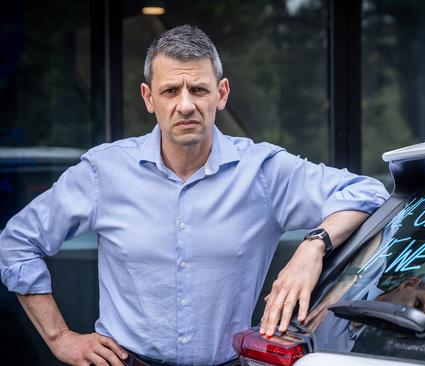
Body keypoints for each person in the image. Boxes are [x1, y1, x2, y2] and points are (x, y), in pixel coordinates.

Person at [0, 25, 388, 366]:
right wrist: (59, 338)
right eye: (170, 90)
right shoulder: (104, 172)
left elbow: (366, 191)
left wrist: (312, 247)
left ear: (220, 94)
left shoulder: (263, 171)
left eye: (198, 89)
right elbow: (17, 241)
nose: (185, 104)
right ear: (149, 98)